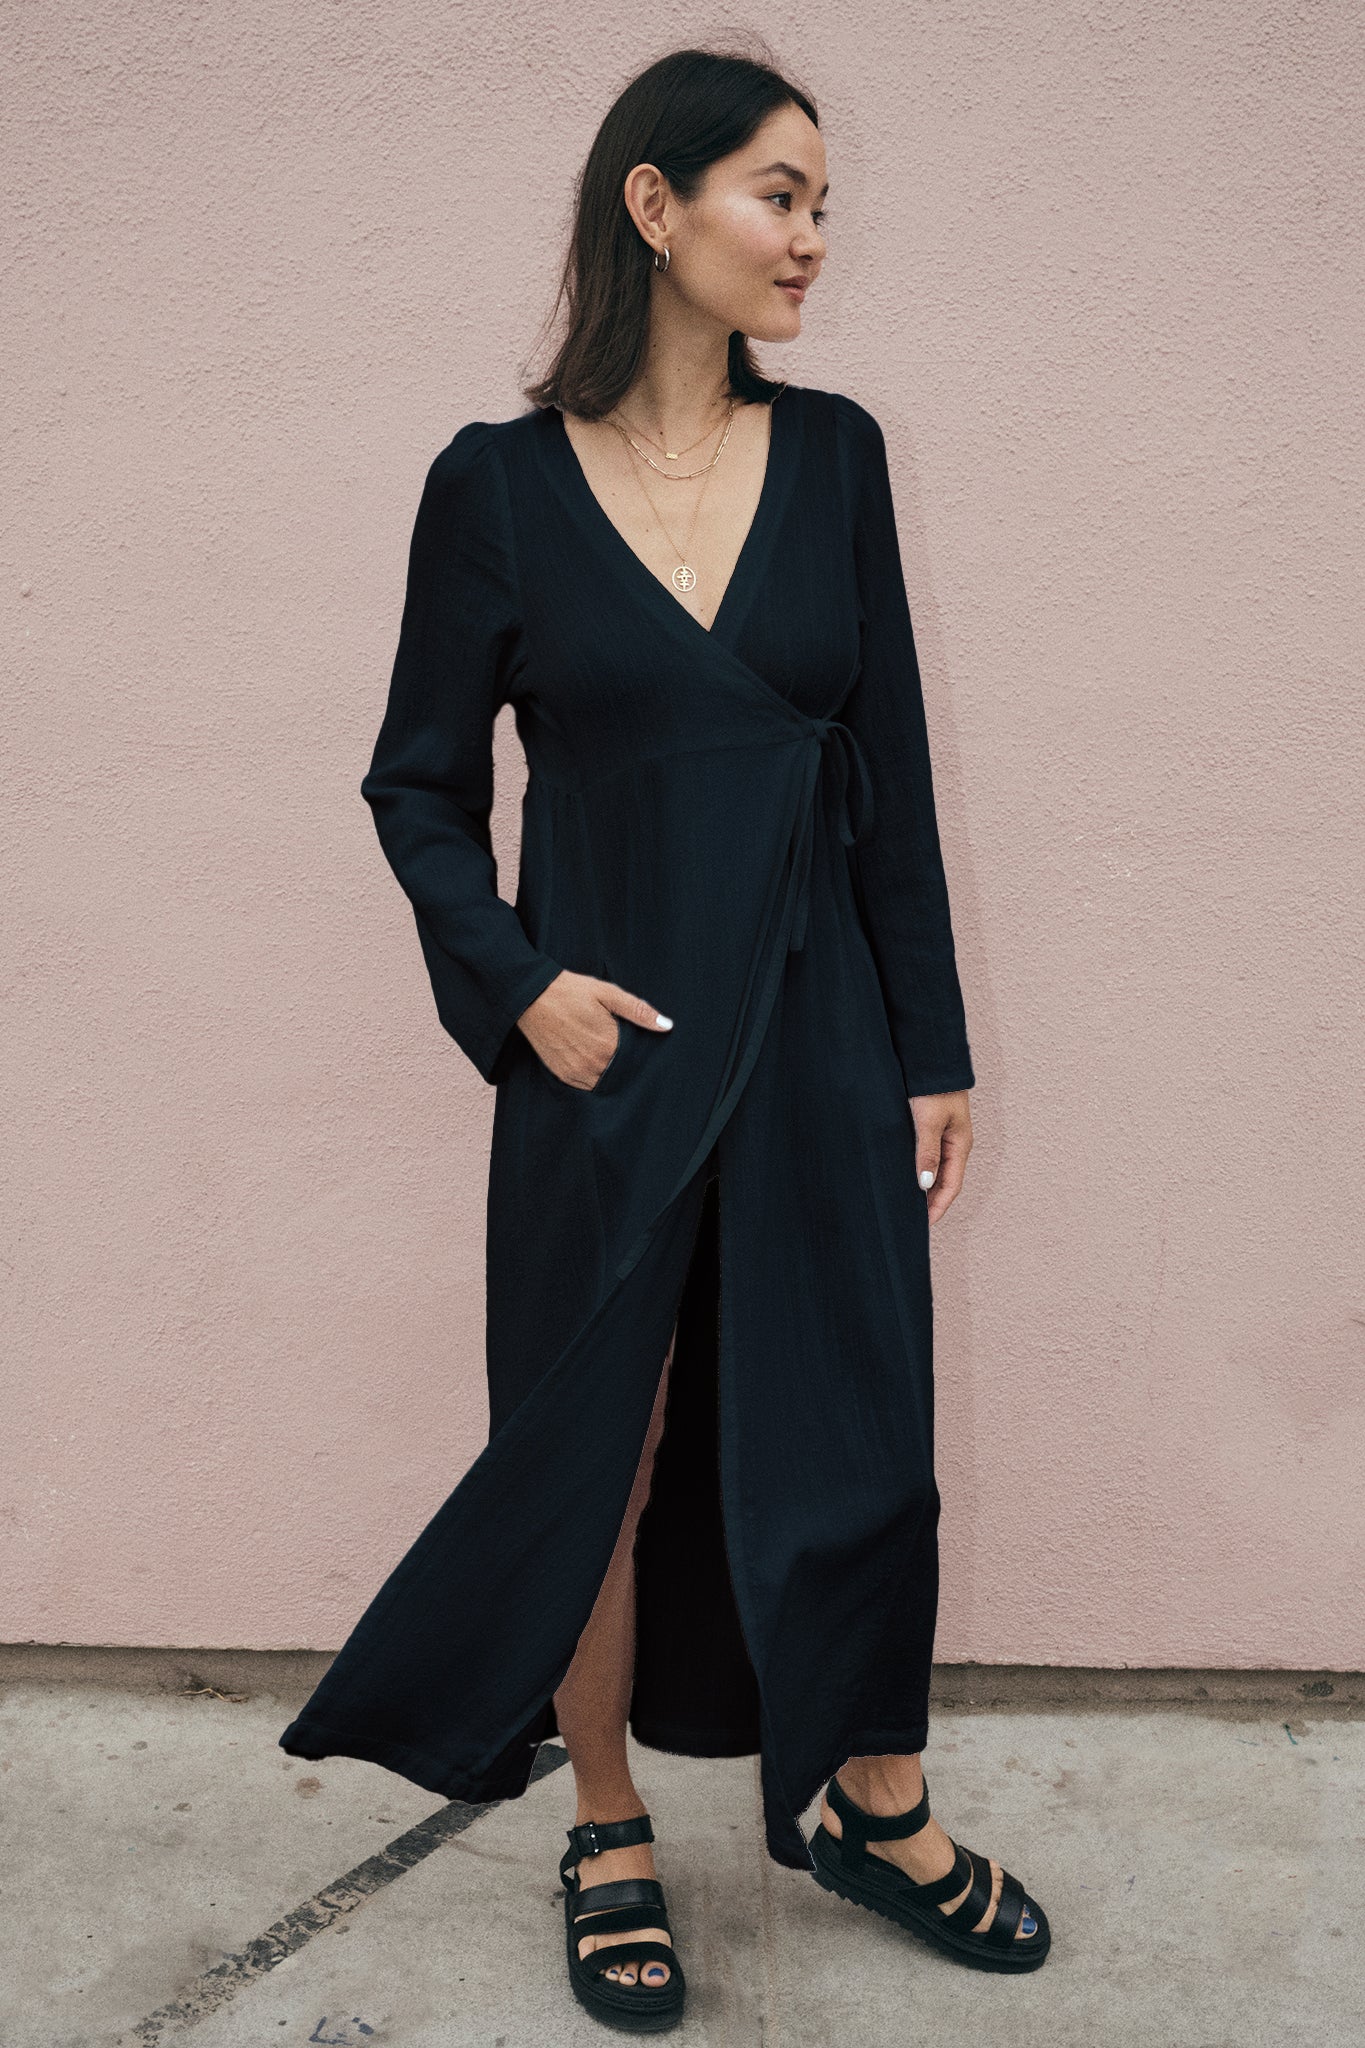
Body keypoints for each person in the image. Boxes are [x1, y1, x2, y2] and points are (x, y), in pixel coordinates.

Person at [280, 44, 1050, 2032]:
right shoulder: (495, 488)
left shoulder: (839, 456)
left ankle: (874, 1806)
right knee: (590, 1453)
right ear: (654, 203)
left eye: (819, 206)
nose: (810, 239)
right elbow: (417, 787)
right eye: (777, 195)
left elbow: (887, 771)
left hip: (820, 1028)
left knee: (860, 1430)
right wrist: (518, 984)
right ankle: (605, 1820)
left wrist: (931, 1042)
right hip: (606, 1057)